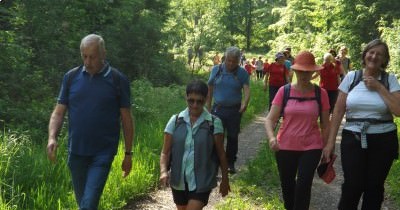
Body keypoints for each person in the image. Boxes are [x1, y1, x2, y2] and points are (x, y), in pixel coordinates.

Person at [46, 34, 134, 210]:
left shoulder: (118, 80)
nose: (87, 61)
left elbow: (127, 118)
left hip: (103, 153)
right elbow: (58, 112)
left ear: (103, 54)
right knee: (85, 204)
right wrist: (52, 137)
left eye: (92, 56)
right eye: (84, 56)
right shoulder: (71, 77)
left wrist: (128, 153)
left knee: (88, 204)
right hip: (76, 152)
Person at [323, 39, 400, 210]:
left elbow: (398, 110)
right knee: (352, 186)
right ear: (365, 55)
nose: (374, 56)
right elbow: (337, 112)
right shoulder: (352, 77)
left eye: (379, 54)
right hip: (353, 138)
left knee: (374, 188)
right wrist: (329, 143)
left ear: (384, 59)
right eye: (371, 52)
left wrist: (379, 87)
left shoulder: (390, 80)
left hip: (384, 140)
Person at [265, 51, 330, 210]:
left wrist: (327, 148)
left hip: (311, 146)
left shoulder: (320, 93)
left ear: (314, 72)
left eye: (308, 71)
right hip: (285, 146)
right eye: (301, 70)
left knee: (303, 184)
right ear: (294, 70)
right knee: (287, 186)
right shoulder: (284, 91)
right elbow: (270, 119)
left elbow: (325, 124)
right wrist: (271, 138)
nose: (304, 74)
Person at [159, 80, 230, 209]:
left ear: (206, 99)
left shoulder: (214, 123)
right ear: (186, 98)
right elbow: (165, 152)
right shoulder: (175, 121)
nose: (195, 105)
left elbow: (221, 155)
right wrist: (163, 171)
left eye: (200, 101)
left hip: (202, 182)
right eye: (191, 100)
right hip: (178, 181)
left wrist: (225, 180)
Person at [206, 46, 250, 174]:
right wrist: (208, 107)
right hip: (218, 109)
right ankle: (214, 163)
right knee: (216, 135)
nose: (231, 63)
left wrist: (245, 103)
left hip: (234, 111)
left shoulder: (242, 73)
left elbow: (246, 90)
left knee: (232, 136)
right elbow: (210, 87)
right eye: (229, 60)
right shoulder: (216, 70)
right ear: (225, 58)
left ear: (238, 61)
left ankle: (230, 162)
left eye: (234, 61)